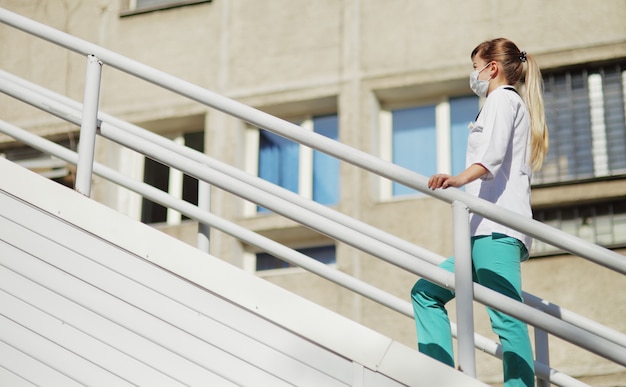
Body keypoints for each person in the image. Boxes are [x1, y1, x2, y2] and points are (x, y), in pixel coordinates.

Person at [411, 38, 549, 387]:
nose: (473, 75)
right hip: (478, 232)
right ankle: (438, 374)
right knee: (426, 292)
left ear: (492, 68)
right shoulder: (497, 103)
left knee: (506, 318)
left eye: (475, 68)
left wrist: (458, 179)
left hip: (496, 230)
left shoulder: (503, 99)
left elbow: (491, 156)